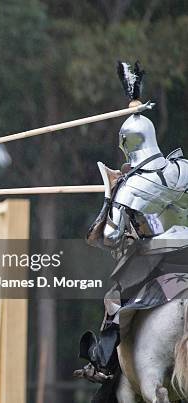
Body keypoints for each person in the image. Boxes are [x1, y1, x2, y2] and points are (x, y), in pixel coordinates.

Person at [75, 62, 188, 399]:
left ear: (127, 146)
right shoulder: (183, 168)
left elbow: (109, 237)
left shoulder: (130, 185)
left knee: (115, 302)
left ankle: (104, 365)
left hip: (158, 258)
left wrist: (111, 195)